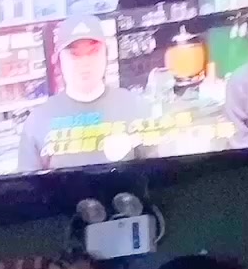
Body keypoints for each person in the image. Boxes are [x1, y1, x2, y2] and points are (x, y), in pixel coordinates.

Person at [14, 13, 152, 172]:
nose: (85, 63)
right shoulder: (38, 120)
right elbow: (27, 183)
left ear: (106, 54)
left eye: (93, 51)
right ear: (59, 60)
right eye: (74, 54)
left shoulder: (135, 106)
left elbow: (156, 174)